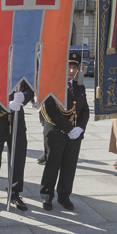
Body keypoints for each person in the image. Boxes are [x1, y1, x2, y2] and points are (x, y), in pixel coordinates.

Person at [38, 50, 90, 211]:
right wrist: (69, 128)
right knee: (52, 165)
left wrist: (80, 128)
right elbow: (50, 109)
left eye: (75, 67)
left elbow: (85, 110)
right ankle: (47, 196)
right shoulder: (52, 84)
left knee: (69, 166)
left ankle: (64, 196)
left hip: (74, 135)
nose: (72, 71)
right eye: (68, 67)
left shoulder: (79, 86)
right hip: (56, 132)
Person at [0, 78, 33, 213]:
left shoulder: (21, 66)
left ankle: (14, 193)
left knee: (18, 157)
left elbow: (30, 89)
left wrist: (23, 97)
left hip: (17, 119)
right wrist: (6, 104)